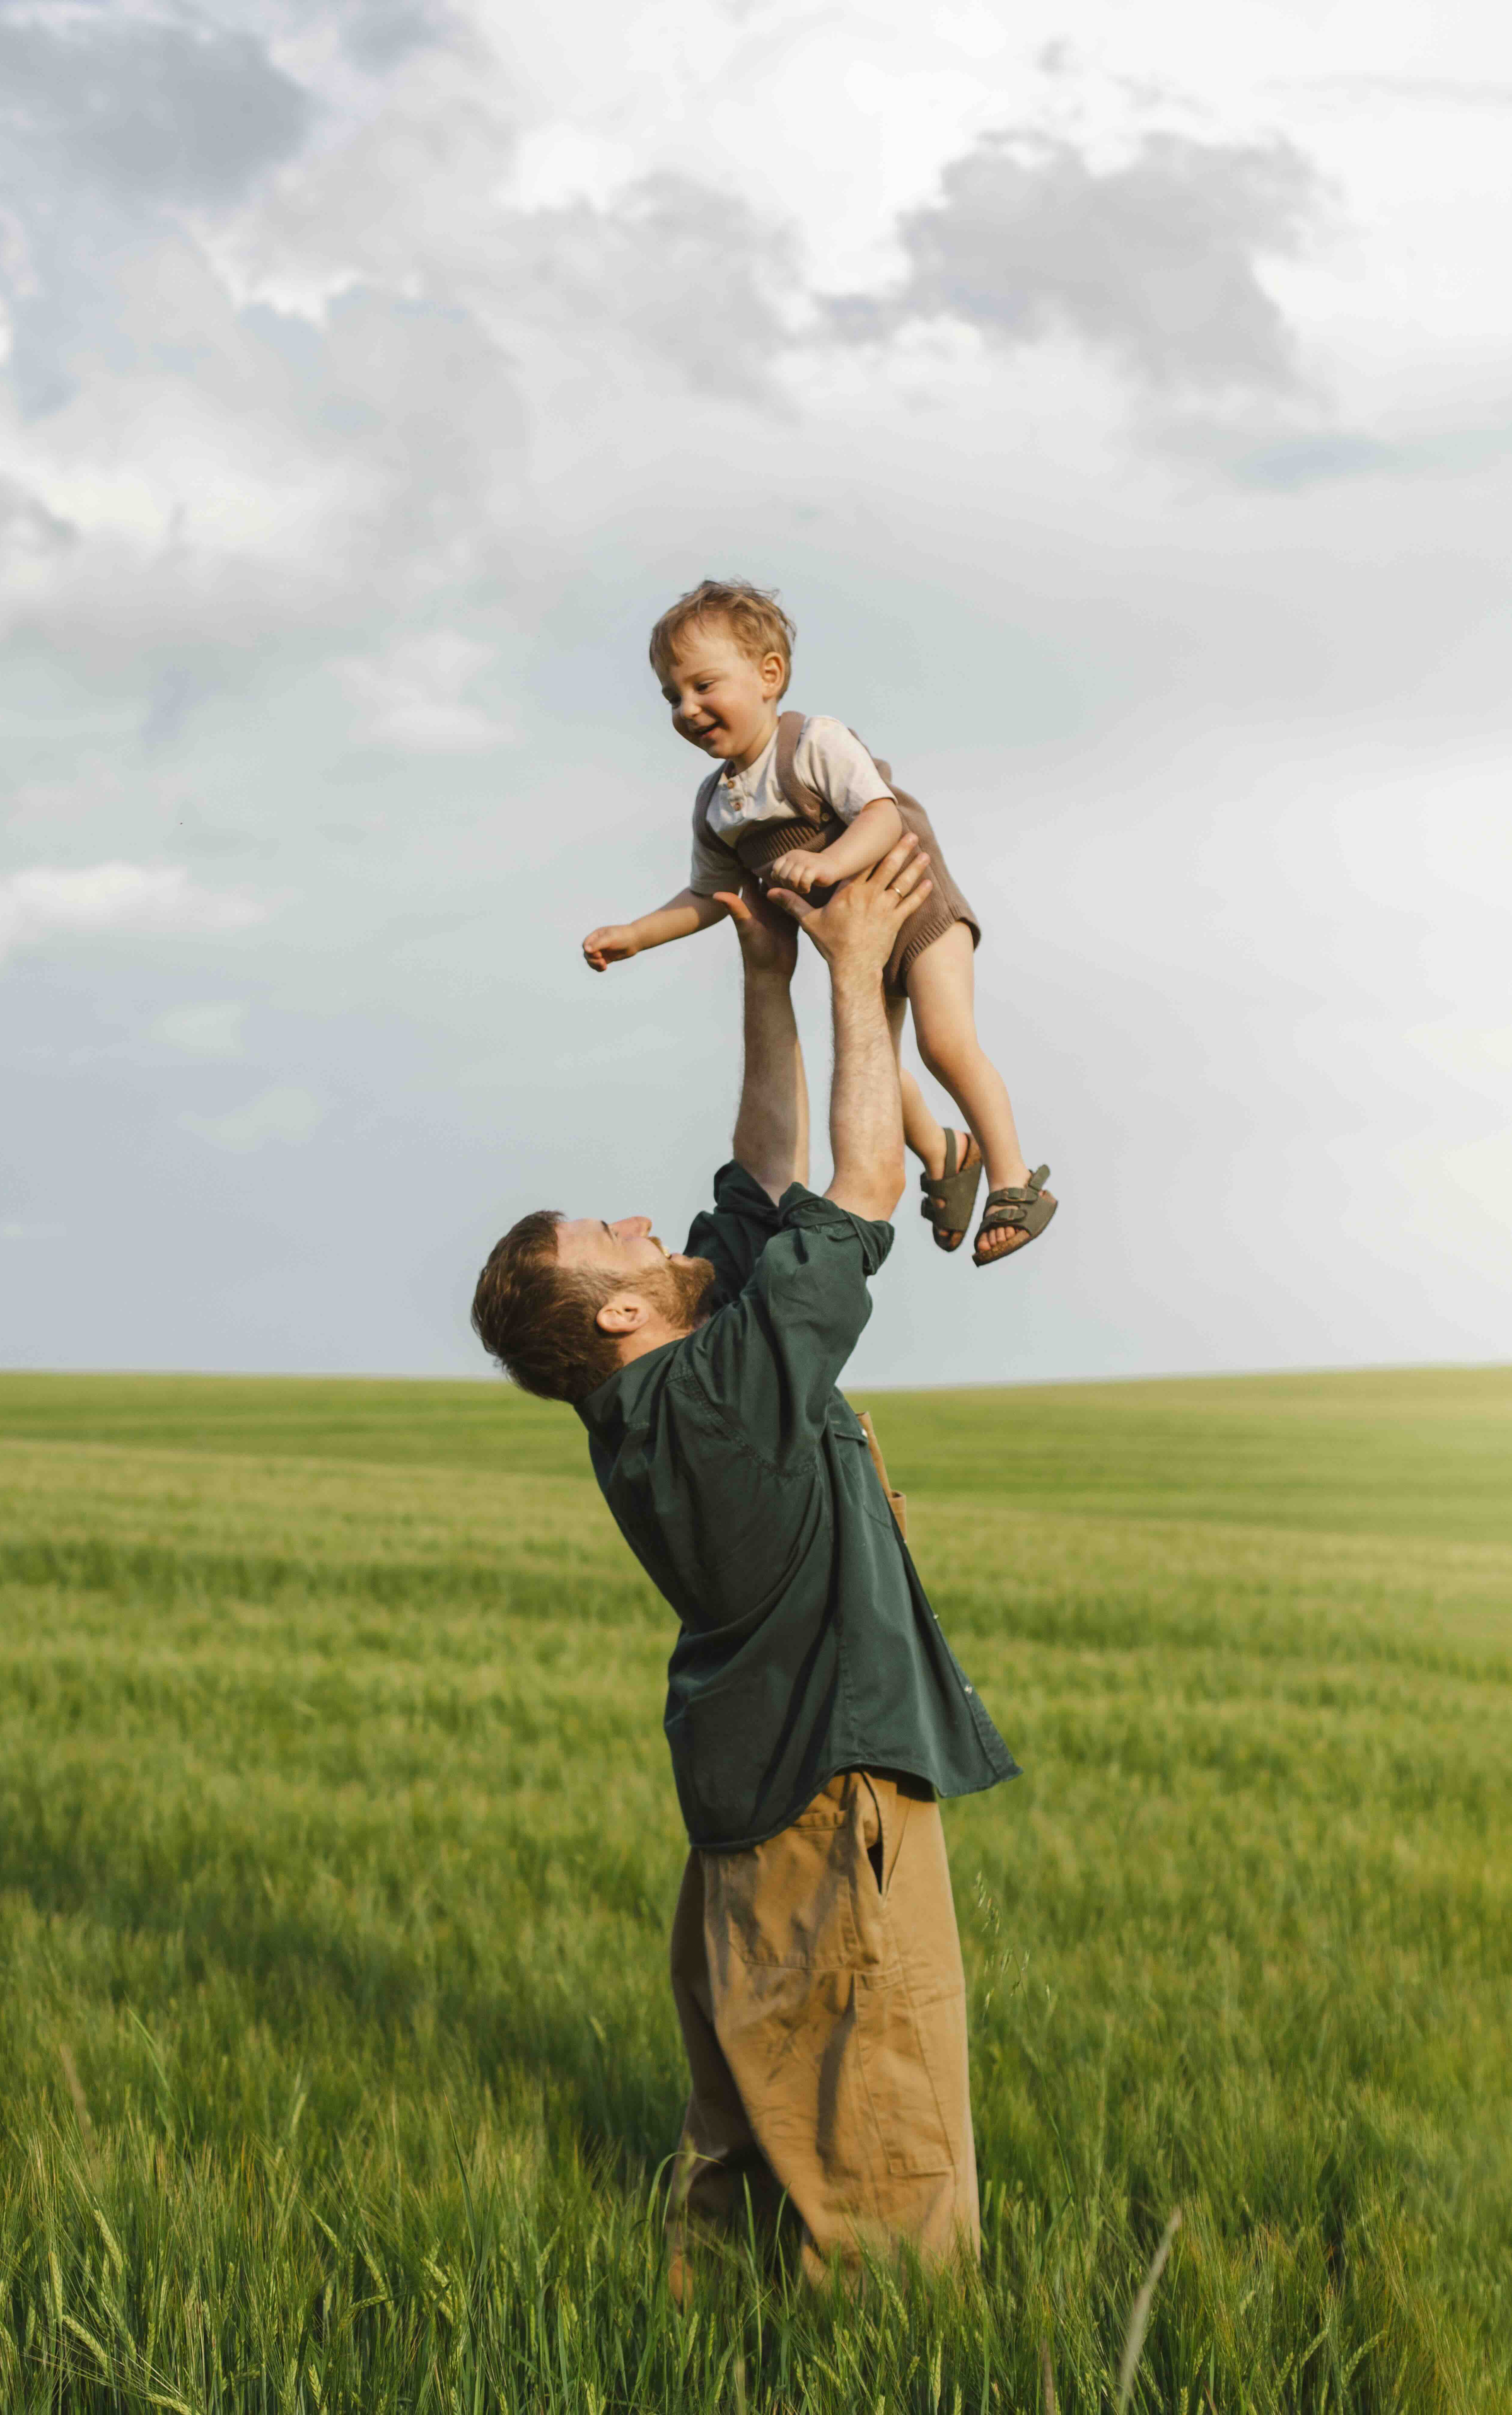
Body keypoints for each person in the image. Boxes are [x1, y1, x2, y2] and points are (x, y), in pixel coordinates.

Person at [474, 836, 1019, 2285]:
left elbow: (762, 1180)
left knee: (754, 2165)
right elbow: (853, 1184)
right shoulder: (713, 1401)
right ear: (610, 1315)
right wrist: (856, 977)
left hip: (750, 1827)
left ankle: (715, 2359)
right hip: (831, 1819)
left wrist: (763, 977)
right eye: (615, 1237)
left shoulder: (664, 1391)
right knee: (881, 2171)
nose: (649, 1223)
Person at [580, 578, 1056, 1269]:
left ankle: (1014, 1179)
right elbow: (707, 895)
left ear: (769, 676)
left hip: (919, 911)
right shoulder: (718, 806)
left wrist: (829, 863)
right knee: (874, 1069)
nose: (688, 709)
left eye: (704, 686)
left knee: (945, 1044)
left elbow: (883, 814)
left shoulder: (814, 744)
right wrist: (635, 934)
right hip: (853, 946)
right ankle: (946, 1151)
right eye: (672, 697)